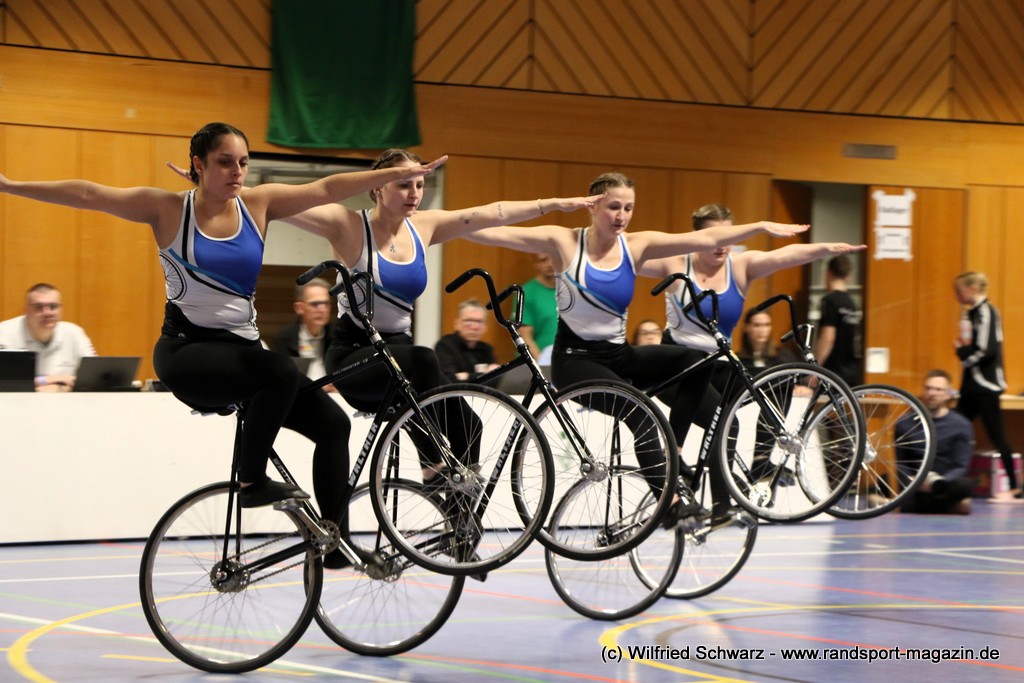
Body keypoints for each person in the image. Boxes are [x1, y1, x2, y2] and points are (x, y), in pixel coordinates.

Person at [0, 123, 446, 570]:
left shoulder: (258, 204)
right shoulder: (168, 209)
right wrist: (11, 186)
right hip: (186, 353)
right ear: (198, 164)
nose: (237, 171)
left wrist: (393, 174)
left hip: (242, 356)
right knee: (280, 370)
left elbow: (327, 188)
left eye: (244, 163)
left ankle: (334, 545)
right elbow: (88, 194)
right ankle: (251, 481)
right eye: (225, 162)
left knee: (333, 425)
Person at [462, 174, 809, 526]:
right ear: (592, 206)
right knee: (640, 413)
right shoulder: (563, 241)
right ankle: (670, 504)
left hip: (619, 356)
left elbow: (705, 238)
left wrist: (759, 227)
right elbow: (491, 229)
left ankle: (674, 451)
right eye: (614, 207)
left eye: (628, 208)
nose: (622, 216)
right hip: (575, 362)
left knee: (695, 361)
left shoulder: (636, 245)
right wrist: (450, 224)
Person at [640, 203, 864, 515]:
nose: (722, 244)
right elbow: (627, 256)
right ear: (697, 237)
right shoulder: (676, 263)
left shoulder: (740, 267)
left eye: (729, 236)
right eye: (714, 237)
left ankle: (758, 464)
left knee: (780, 383)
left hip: (715, 365)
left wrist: (825, 248)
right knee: (725, 425)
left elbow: (786, 256)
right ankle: (714, 500)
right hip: (675, 370)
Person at [953, 271, 1020, 499]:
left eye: (959, 291)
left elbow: (987, 349)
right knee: (951, 428)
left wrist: (963, 354)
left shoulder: (987, 312)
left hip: (985, 386)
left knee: (997, 436)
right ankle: (940, 477)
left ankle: (1015, 488)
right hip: (971, 386)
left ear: (972, 289)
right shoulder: (970, 313)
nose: (957, 296)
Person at [897, 369, 975, 514]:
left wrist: (939, 482)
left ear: (948, 394)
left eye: (938, 389)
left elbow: (960, 466)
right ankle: (949, 507)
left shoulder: (961, 425)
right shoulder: (904, 423)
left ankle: (904, 505)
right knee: (886, 480)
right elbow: (899, 462)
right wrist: (913, 480)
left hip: (943, 482)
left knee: (964, 485)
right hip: (913, 482)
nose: (932, 393)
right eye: (928, 388)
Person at [0, 282, 96, 391]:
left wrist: (57, 388)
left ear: (60, 309)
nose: (47, 313)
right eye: (38, 307)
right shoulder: (5, 332)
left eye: (53, 306)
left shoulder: (75, 333)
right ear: (26, 310)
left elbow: (93, 379)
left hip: (66, 400)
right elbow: (5, 382)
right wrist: (58, 379)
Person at [270, 277, 335, 386]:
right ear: (299, 308)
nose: (322, 309)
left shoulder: (338, 337)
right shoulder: (283, 339)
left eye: (326, 303)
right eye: (315, 304)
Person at [814, 254, 863, 388]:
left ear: (828, 273)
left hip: (833, 371)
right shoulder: (851, 303)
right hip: (851, 370)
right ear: (848, 277)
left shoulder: (829, 301)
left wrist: (815, 369)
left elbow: (828, 337)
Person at [434, 298, 499, 382]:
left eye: (479, 322)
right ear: (457, 324)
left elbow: (496, 379)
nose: (474, 327)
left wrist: (466, 376)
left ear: (486, 327)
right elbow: (450, 380)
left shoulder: (486, 349)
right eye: (469, 321)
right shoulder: (445, 346)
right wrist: (485, 373)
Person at [519, 252, 558, 363]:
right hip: (539, 362)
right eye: (543, 260)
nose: (550, 264)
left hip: (566, 361)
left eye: (553, 258)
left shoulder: (571, 290)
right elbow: (524, 335)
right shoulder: (526, 292)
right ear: (535, 264)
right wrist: (542, 363)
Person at [738, 309, 798, 374]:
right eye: (757, 325)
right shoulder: (738, 361)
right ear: (746, 327)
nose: (762, 330)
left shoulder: (784, 356)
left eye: (767, 325)